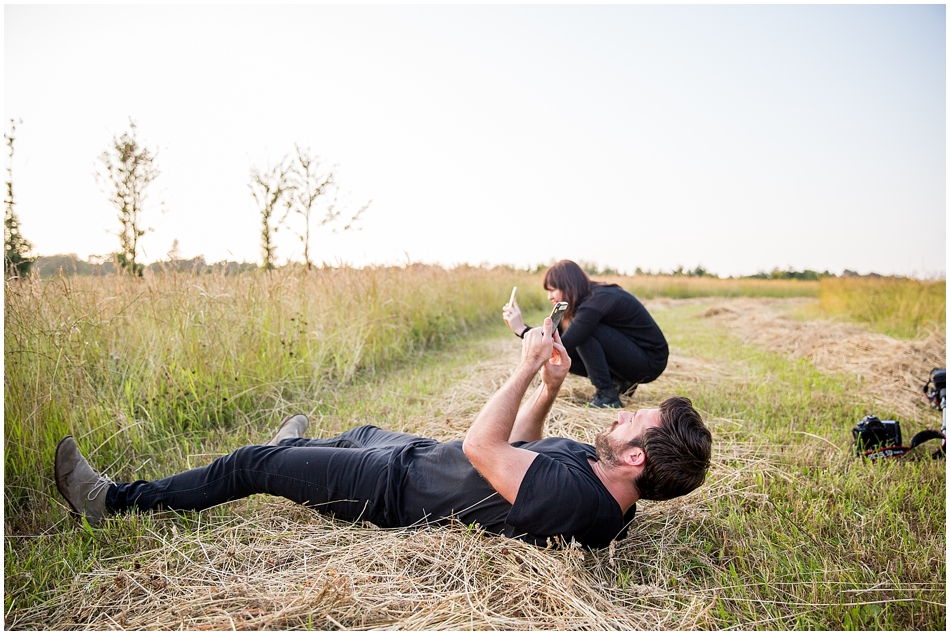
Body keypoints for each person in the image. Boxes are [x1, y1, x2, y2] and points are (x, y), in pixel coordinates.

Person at [54, 318, 711, 550]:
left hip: (394, 492)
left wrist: (521, 365)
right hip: (412, 454)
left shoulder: (585, 506)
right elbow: (527, 448)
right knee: (355, 429)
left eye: (635, 420)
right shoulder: (603, 480)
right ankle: (292, 451)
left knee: (251, 463)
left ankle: (110, 500)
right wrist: (547, 388)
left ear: (633, 457)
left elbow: (486, 448)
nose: (623, 411)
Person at [503, 260, 669, 408]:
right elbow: (555, 340)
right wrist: (522, 328)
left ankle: (607, 395)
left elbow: (565, 344)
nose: (549, 297)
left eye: (553, 290)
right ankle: (617, 382)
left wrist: (522, 330)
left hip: (650, 361)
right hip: (634, 358)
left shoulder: (597, 300)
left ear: (568, 285)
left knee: (581, 336)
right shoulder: (585, 301)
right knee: (565, 350)